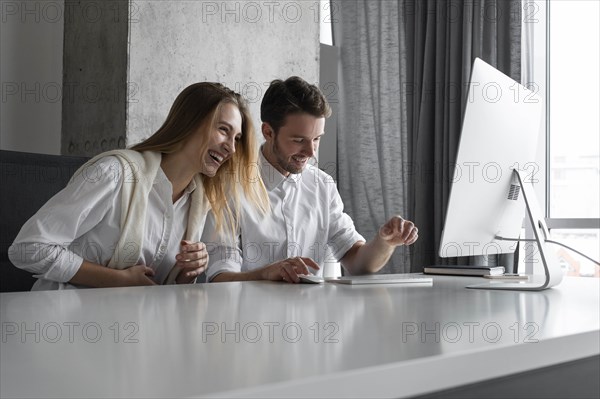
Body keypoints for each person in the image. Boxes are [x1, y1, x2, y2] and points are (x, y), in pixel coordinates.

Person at [8, 83, 268, 290]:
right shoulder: (114, 174)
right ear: (189, 123)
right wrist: (117, 280)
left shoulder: (198, 201)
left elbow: (154, 288)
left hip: (128, 331)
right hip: (64, 323)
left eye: (236, 138)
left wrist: (187, 273)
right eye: (223, 130)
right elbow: (28, 248)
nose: (231, 148)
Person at [203, 76, 418, 283]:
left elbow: (358, 264)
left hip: (311, 319)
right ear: (268, 132)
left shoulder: (322, 185)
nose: (311, 152)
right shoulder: (230, 184)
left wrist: (384, 242)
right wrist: (267, 273)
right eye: (299, 140)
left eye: (316, 139)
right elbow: (220, 276)